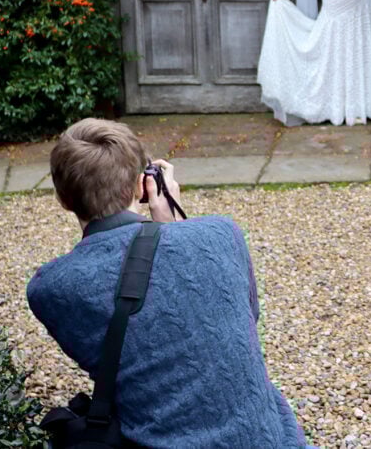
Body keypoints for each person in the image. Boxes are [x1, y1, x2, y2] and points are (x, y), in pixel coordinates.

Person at [26, 118, 312, 448]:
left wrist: (168, 237)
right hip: (274, 440)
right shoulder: (221, 233)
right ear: (140, 186)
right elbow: (235, 316)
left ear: (63, 199)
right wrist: (175, 226)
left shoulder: (50, 288)